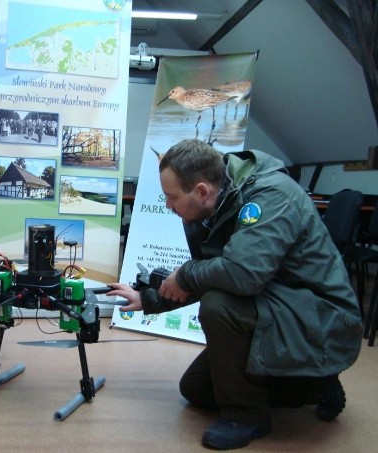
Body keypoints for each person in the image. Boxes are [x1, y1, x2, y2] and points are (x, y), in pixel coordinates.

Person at [107, 139, 362, 450]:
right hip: (275, 302)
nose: (167, 206)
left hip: (320, 318)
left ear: (201, 191)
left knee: (218, 307)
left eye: (171, 197)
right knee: (196, 390)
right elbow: (214, 275)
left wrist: (186, 273)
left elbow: (242, 275)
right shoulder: (211, 205)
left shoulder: (271, 196)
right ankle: (310, 384)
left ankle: (247, 416)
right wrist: (148, 299)